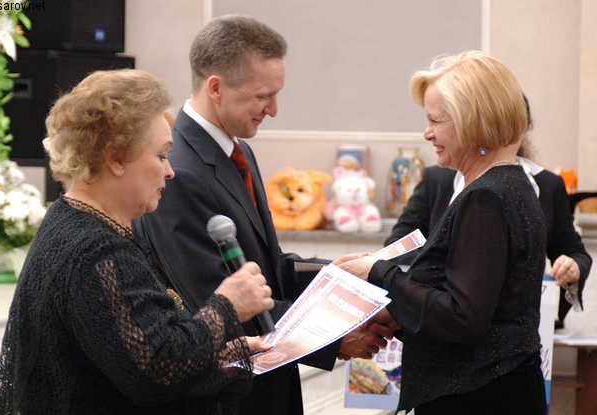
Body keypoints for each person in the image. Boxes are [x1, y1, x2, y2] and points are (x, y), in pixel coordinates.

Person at [133, 15, 386, 415]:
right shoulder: (178, 172)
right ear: (216, 88)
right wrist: (336, 339)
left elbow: (265, 266)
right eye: (263, 96)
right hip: (227, 397)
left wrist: (339, 275)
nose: (274, 110)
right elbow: (218, 304)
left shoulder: (237, 150)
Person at [0, 69, 275, 415]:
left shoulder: (73, 220)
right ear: (115, 157)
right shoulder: (95, 249)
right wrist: (227, 306)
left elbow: (135, 352)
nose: (170, 171)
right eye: (161, 155)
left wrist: (224, 357)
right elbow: (157, 368)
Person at [338, 51, 548, 414]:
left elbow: (461, 318)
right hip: (496, 385)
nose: (427, 133)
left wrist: (378, 273)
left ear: (473, 121)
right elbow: (484, 304)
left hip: (479, 396)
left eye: (435, 120)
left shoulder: (485, 197)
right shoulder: (509, 184)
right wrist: (396, 314)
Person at [386, 105, 592, 329]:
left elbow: (574, 252)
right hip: (440, 316)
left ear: (524, 127)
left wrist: (573, 266)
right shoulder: (437, 180)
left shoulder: (547, 185)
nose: (429, 133)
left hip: (514, 329)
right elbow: (397, 247)